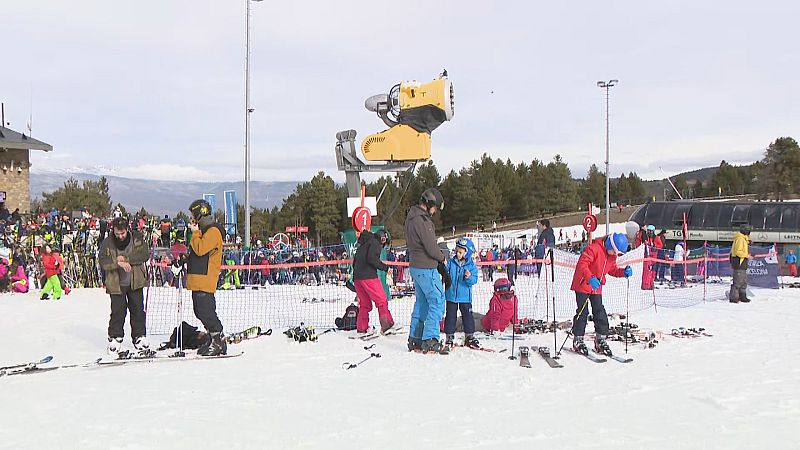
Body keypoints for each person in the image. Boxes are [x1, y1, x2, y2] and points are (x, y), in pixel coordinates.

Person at [569, 232, 633, 356]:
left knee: (599, 310)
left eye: (617, 253)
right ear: (610, 245)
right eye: (615, 251)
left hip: (596, 286)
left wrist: (623, 272)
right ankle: (578, 339)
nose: (615, 255)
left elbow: (612, 270)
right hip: (583, 283)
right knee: (583, 312)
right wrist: (590, 278)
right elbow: (582, 264)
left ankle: (600, 339)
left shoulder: (611, 256)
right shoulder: (593, 248)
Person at [98, 217, 151, 355]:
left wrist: (127, 260)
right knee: (118, 311)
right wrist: (117, 263)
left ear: (127, 229)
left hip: (136, 281)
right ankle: (115, 337)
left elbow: (145, 254)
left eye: (123, 233)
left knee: (138, 309)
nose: (120, 236)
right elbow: (103, 261)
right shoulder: (107, 242)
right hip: (116, 283)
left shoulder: (137, 238)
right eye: (117, 234)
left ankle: (139, 336)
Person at [405, 187, 449, 354]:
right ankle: (430, 339)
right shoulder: (423, 221)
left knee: (422, 303)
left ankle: (415, 338)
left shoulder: (411, 218)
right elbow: (431, 247)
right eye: (435, 207)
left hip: (416, 267)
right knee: (437, 301)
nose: (435, 211)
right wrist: (441, 257)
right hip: (426, 267)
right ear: (430, 203)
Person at [187, 199, 227, 355]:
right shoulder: (204, 231)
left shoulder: (213, 232)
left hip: (205, 278)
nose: (192, 218)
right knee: (199, 311)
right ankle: (212, 338)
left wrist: (195, 232)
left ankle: (218, 339)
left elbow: (200, 249)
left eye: (193, 214)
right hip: (198, 278)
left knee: (206, 312)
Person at [352, 228, 396, 334]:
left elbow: (355, 261)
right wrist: (386, 268)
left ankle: (361, 328)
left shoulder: (364, 243)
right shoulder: (375, 243)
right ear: (383, 239)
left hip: (357, 277)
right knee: (381, 300)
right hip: (368, 276)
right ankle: (386, 324)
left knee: (365, 304)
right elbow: (372, 259)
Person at [444, 238, 479, 348]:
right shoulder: (451, 262)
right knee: (450, 317)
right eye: (457, 251)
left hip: (465, 297)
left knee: (468, 317)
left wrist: (469, 277)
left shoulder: (471, 266)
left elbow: (474, 280)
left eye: (460, 252)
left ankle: (469, 336)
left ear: (467, 253)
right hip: (451, 296)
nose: (458, 254)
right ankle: (449, 336)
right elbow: (445, 272)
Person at [729, 224, 751, 303]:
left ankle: (742, 296)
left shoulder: (744, 239)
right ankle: (734, 297)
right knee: (738, 281)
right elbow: (738, 252)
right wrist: (747, 255)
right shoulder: (740, 239)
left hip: (743, 262)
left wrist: (748, 242)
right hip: (739, 262)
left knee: (743, 281)